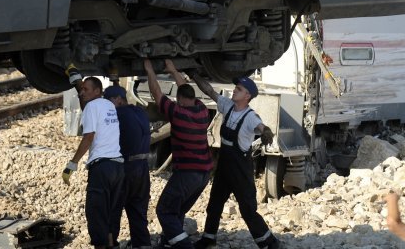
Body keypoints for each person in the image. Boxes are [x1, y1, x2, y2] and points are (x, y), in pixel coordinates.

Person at [189, 73, 279, 249]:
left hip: (240, 170)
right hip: (224, 167)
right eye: (235, 88)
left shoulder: (250, 117)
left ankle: (269, 243)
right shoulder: (227, 106)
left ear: (247, 96)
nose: (234, 91)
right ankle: (208, 239)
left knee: (247, 210)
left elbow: (261, 126)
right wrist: (194, 75)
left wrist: (267, 132)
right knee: (214, 204)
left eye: (239, 89)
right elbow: (209, 91)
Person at [143, 59, 213, 249]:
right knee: (177, 210)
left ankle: (184, 246)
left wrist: (150, 70)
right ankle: (168, 243)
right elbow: (185, 90)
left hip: (187, 174)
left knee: (164, 211)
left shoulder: (177, 113)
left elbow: (156, 94)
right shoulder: (203, 111)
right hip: (204, 175)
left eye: (177, 100)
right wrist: (173, 70)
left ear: (180, 101)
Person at [61, 75, 125, 249]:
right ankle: (112, 245)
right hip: (118, 168)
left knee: (96, 213)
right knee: (112, 212)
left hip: (102, 168)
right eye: (81, 89)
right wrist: (77, 83)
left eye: (85, 89)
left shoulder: (92, 107)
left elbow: (89, 136)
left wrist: (72, 164)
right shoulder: (108, 105)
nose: (82, 93)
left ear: (97, 91)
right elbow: (89, 109)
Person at [104, 84, 153, 249]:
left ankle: (111, 245)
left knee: (113, 209)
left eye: (108, 100)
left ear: (118, 100)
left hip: (125, 168)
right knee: (138, 210)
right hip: (143, 168)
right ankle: (143, 245)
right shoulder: (140, 112)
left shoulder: (116, 114)